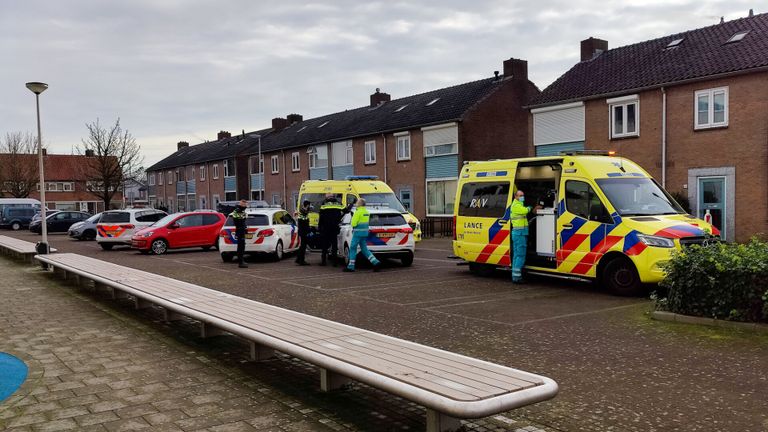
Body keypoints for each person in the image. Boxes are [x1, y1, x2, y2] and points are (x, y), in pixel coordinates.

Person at [510, 189, 541, 283]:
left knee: (516, 255)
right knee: (520, 255)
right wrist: (532, 207)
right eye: (520, 195)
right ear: (516, 197)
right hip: (519, 233)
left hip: (518, 233)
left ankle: (515, 276)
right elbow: (525, 211)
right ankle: (517, 278)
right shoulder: (516, 205)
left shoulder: (518, 204)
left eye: (523, 195)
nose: (522, 197)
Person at [343, 198, 381, 272]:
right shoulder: (366, 212)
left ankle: (351, 266)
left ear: (359, 204)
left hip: (357, 233)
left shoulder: (357, 212)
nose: (356, 204)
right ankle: (375, 262)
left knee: (353, 248)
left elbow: (353, 223)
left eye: (357, 202)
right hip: (364, 233)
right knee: (364, 249)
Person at [317, 194, 345, 266]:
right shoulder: (338, 203)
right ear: (333, 197)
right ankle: (335, 262)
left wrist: (319, 226)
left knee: (325, 245)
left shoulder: (324, 203)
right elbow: (345, 210)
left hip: (325, 227)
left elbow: (321, 216)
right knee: (334, 245)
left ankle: (323, 261)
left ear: (327, 197)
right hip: (334, 227)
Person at [229, 198, 249, 268]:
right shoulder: (237, 211)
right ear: (242, 206)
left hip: (241, 230)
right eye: (245, 206)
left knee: (242, 246)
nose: (246, 207)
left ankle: (241, 261)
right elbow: (240, 221)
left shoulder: (240, 211)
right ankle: (240, 262)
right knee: (240, 247)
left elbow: (243, 220)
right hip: (240, 230)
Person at [294, 200, 311, 266]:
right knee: (303, 246)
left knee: (302, 246)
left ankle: (298, 259)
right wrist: (308, 230)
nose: (310, 207)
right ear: (307, 205)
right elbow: (304, 224)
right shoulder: (303, 213)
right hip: (303, 232)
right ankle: (301, 260)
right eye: (309, 205)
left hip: (303, 231)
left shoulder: (304, 212)